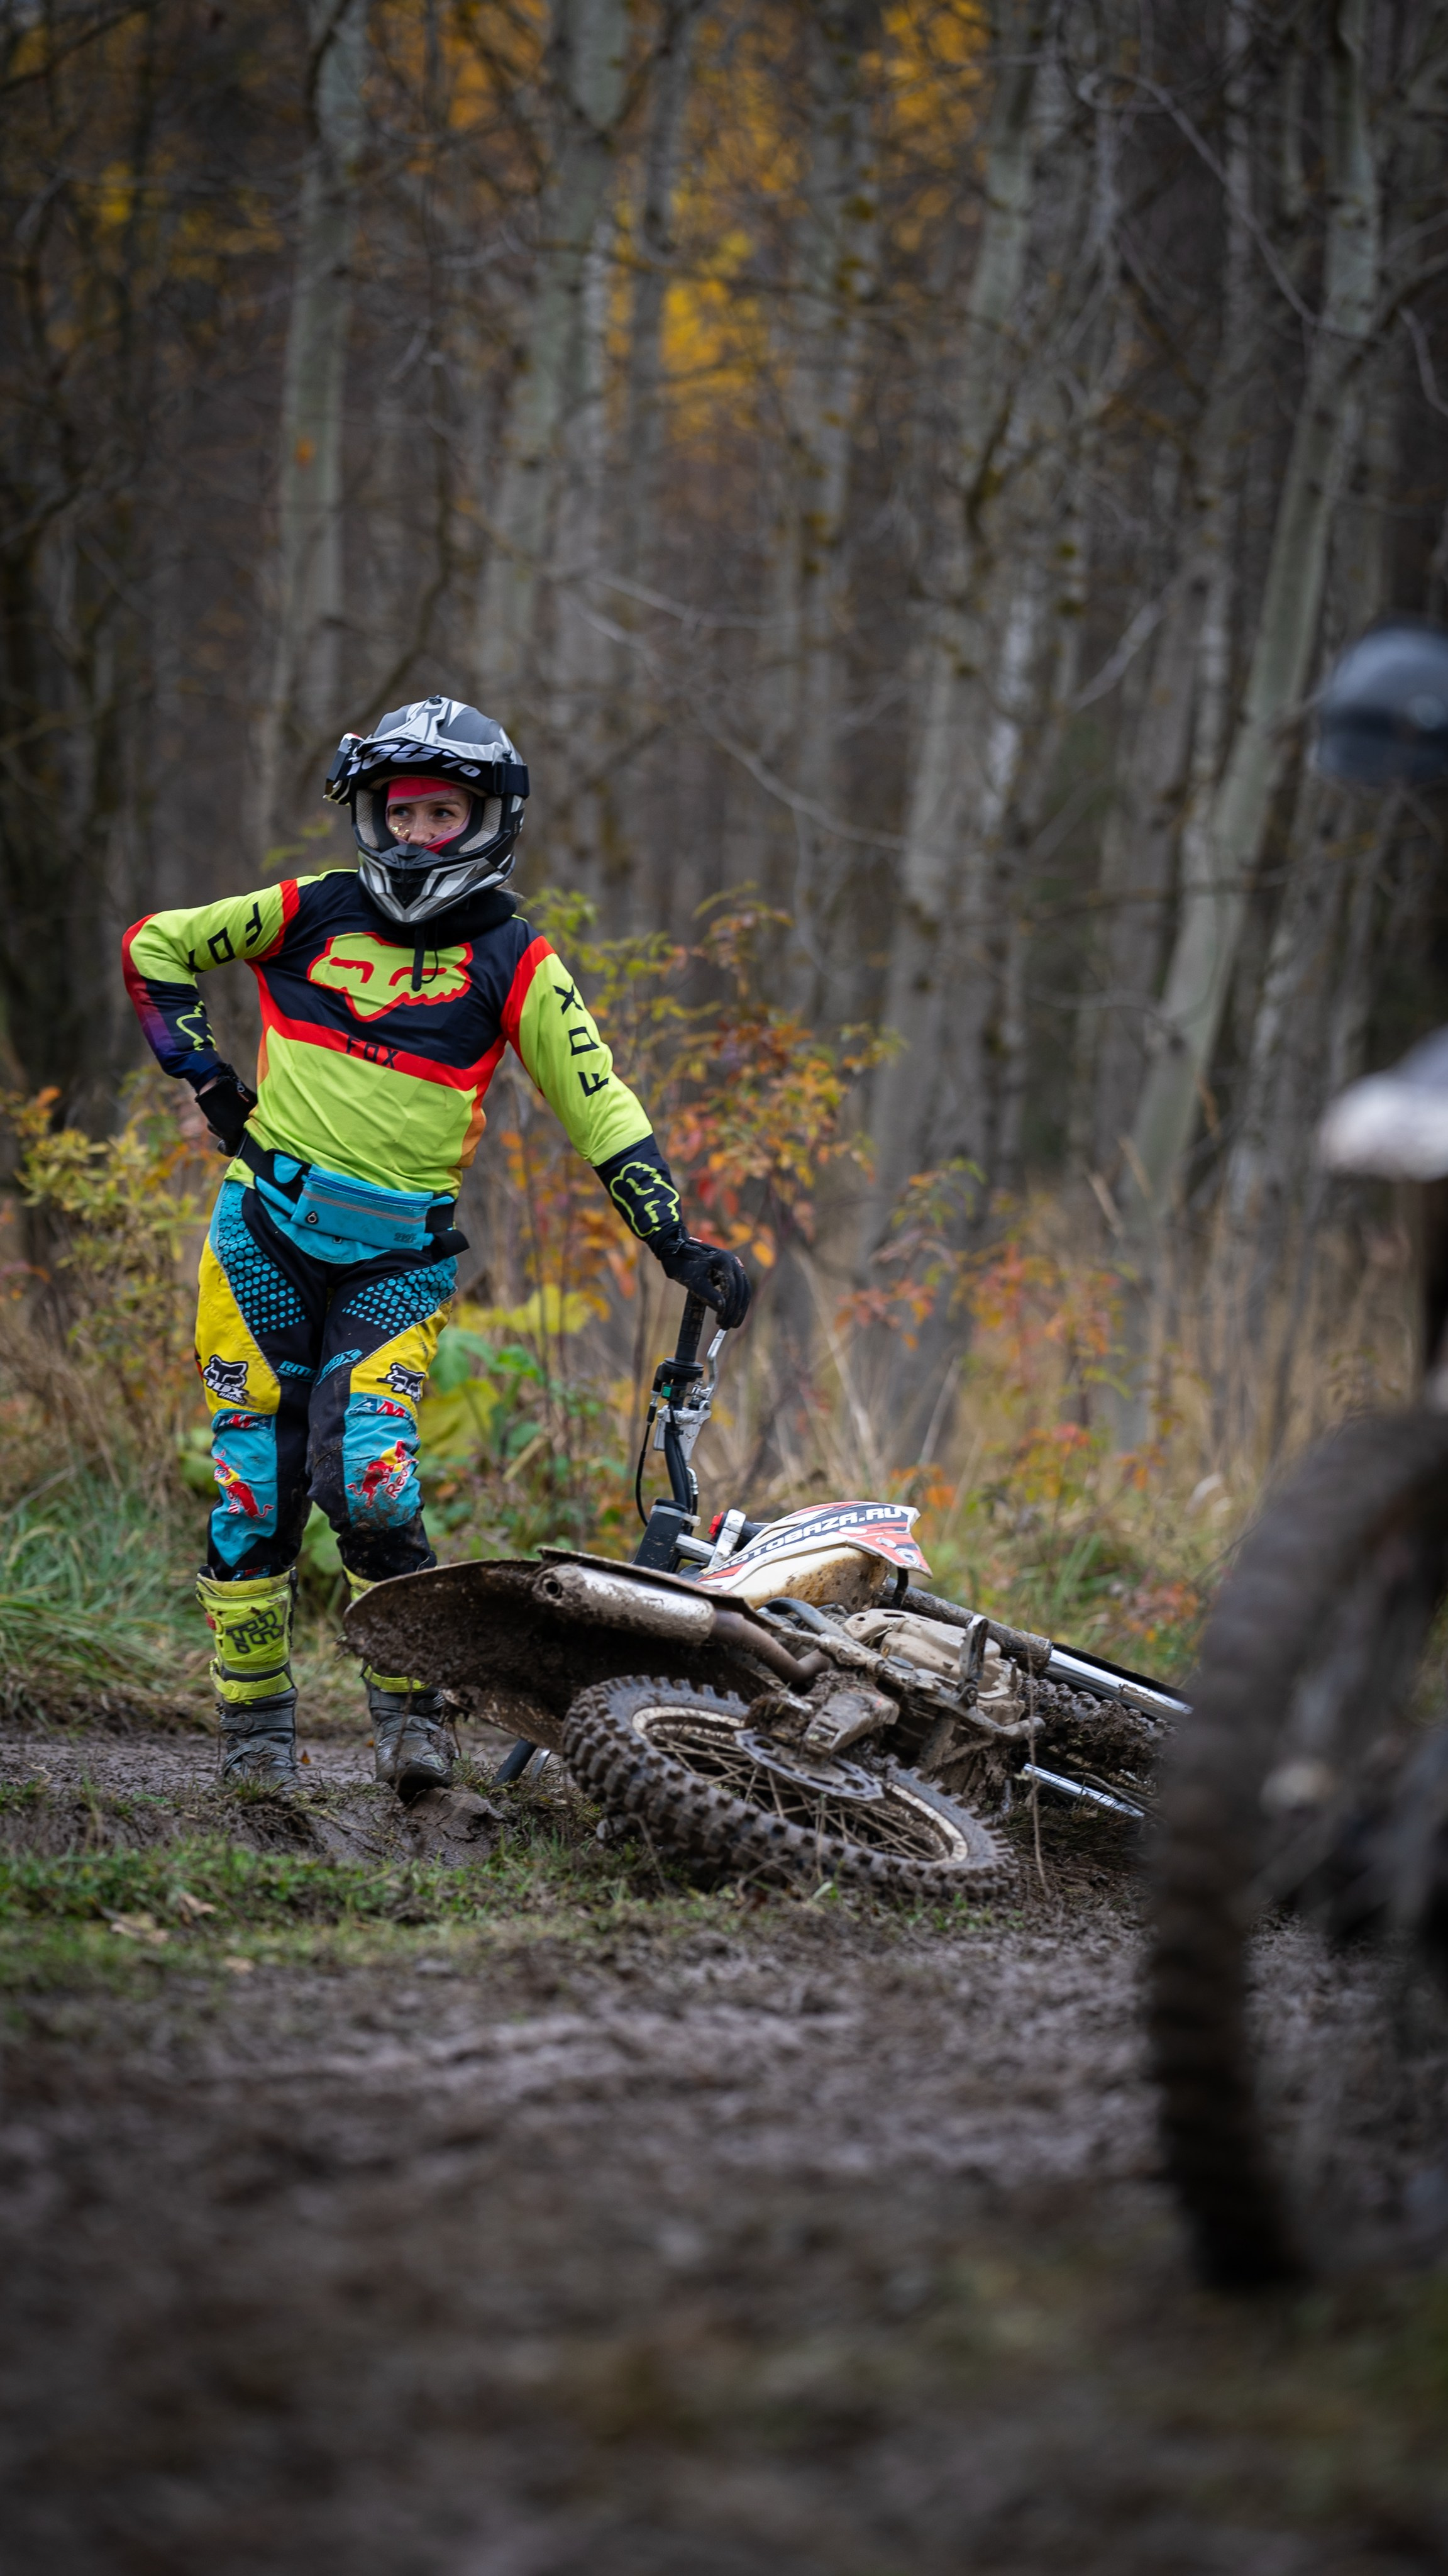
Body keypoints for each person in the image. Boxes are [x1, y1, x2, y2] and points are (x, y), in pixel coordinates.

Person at [121, 694, 749, 1797]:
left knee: (367, 1480)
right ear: (368, 815)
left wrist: (673, 1236)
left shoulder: (516, 957)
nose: (417, 835)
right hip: (263, 1233)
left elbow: (599, 1102)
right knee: (256, 1489)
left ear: (488, 822)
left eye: (443, 815)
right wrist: (207, 1077)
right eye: (399, 812)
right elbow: (155, 945)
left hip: (399, 1263)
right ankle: (257, 1738)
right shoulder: (306, 910)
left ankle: (411, 1720)